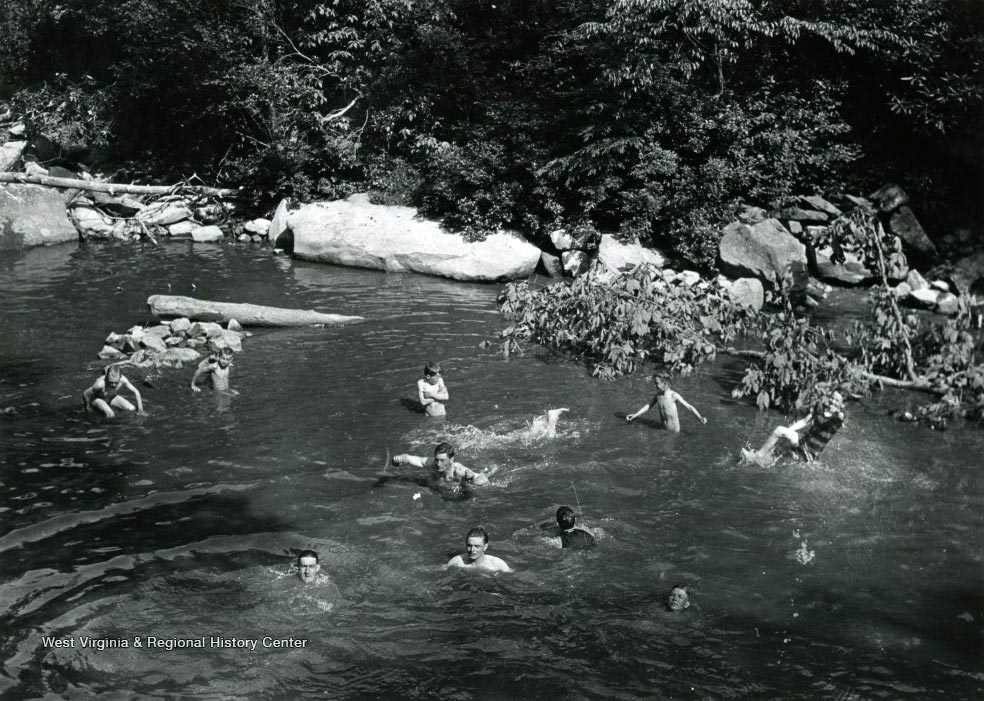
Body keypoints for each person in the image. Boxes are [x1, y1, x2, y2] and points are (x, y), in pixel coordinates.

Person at [742, 391, 845, 466]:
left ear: (841, 404)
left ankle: (757, 458)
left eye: (837, 401)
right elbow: (804, 421)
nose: (833, 402)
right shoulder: (820, 408)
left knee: (781, 435)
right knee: (779, 433)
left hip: (809, 454)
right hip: (801, 443)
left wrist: (838, 412)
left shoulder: (837, 419)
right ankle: (758, 457)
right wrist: (789, 430)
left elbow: (841, 416)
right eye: (832, 398)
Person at [626, 376, 707, 432]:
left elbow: (689, 407)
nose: (655, 385)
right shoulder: (658, 395)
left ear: (664, 383)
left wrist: (700, 417)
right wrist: (635, 415)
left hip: (675, 430)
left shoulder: (673, 395)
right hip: (663, 428)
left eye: (657, 383)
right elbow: (648, 406)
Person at [392, 442, 491, 487]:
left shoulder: (458, 470)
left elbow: (484, 479)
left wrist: (472, 479)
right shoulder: (431, 463)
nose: (438, 464)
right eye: (436, 459)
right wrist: (399, 459)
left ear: (451, 460)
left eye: (442, 460)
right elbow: (409, 458)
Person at [446, 527, 512, 573]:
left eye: (477, 546)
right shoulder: (457, 562)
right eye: (469, 546)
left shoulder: (497, 565)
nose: (472, 550)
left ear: (485, 547)